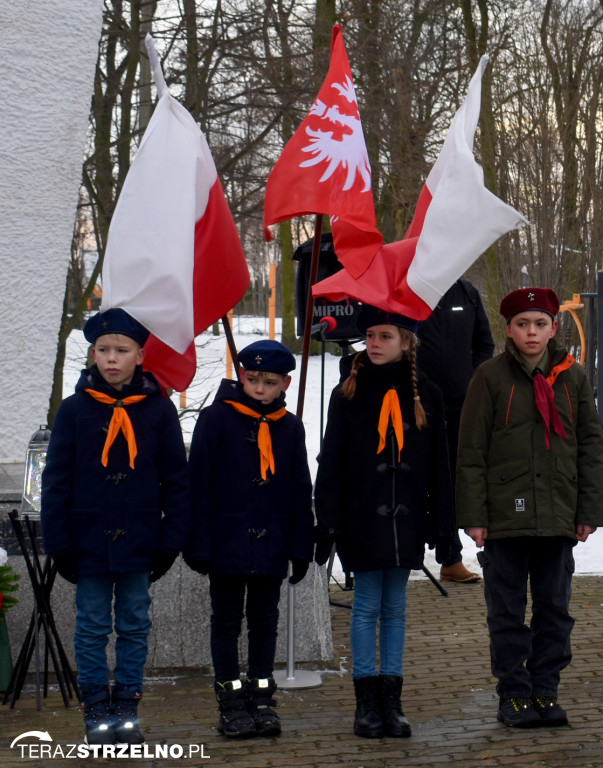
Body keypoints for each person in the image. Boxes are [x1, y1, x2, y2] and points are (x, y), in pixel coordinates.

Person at [456, 287, 603, 728]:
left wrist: (588, 509)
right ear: (509, 330)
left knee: (554, 609)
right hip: (504, 517)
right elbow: (471, 449)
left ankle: (546, 690)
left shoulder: (572, 377)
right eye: (523, 324)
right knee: (506, 611)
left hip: (558, 514)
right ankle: (514, 693)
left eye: (540, 323)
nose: (532, 332)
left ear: (554, 328)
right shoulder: (489, 377)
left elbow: (590, 445)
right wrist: (474, 516)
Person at [41, 309, 188, 746]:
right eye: (102, 350)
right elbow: (57, 481)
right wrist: (59, 543)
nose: (111, 358)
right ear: (92, 354)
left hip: (140, 541)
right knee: (89, 626)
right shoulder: (73, 410)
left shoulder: (159, 411)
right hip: (87, 542)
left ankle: (126, 706)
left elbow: (177, 482)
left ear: (140, 355)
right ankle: (96, 711)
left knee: (134, 623)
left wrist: (169, 542)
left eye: (121, 350)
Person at [314, 305, 455, 739]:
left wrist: (444, 529)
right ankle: (366, 701)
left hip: (407, 519)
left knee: (395, 608)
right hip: (362, 517)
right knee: (366, 607)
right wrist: (328, 522)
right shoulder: (348, 393)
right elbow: (331, 462)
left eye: (385, 336)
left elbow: (439, 466)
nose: (374, 344)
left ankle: (392, 700)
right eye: (370, 335)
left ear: (407, 342)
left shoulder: (426, 394)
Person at [184, 340, 314, 739]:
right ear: (241, 376)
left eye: (270, 382)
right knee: (225, 623)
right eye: (253, 379)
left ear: (285, 384)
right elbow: (198, 485)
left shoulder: (290, 427)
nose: (260, 389)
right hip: (226, 541)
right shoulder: (215, 419)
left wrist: (300, 546)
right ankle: (230, 700)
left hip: (271, 542)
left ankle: (261, 697)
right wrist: (198, 542)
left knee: (264, 622)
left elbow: (298, 489)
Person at [418, 278, 495, 583]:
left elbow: (485, 344)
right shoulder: (409, 288)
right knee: (417, 479)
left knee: (452, 480)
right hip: (416, 405)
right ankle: (402, 551)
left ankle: (450, 558)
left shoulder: (468, 293)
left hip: (461, 407)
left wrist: (472, 380)